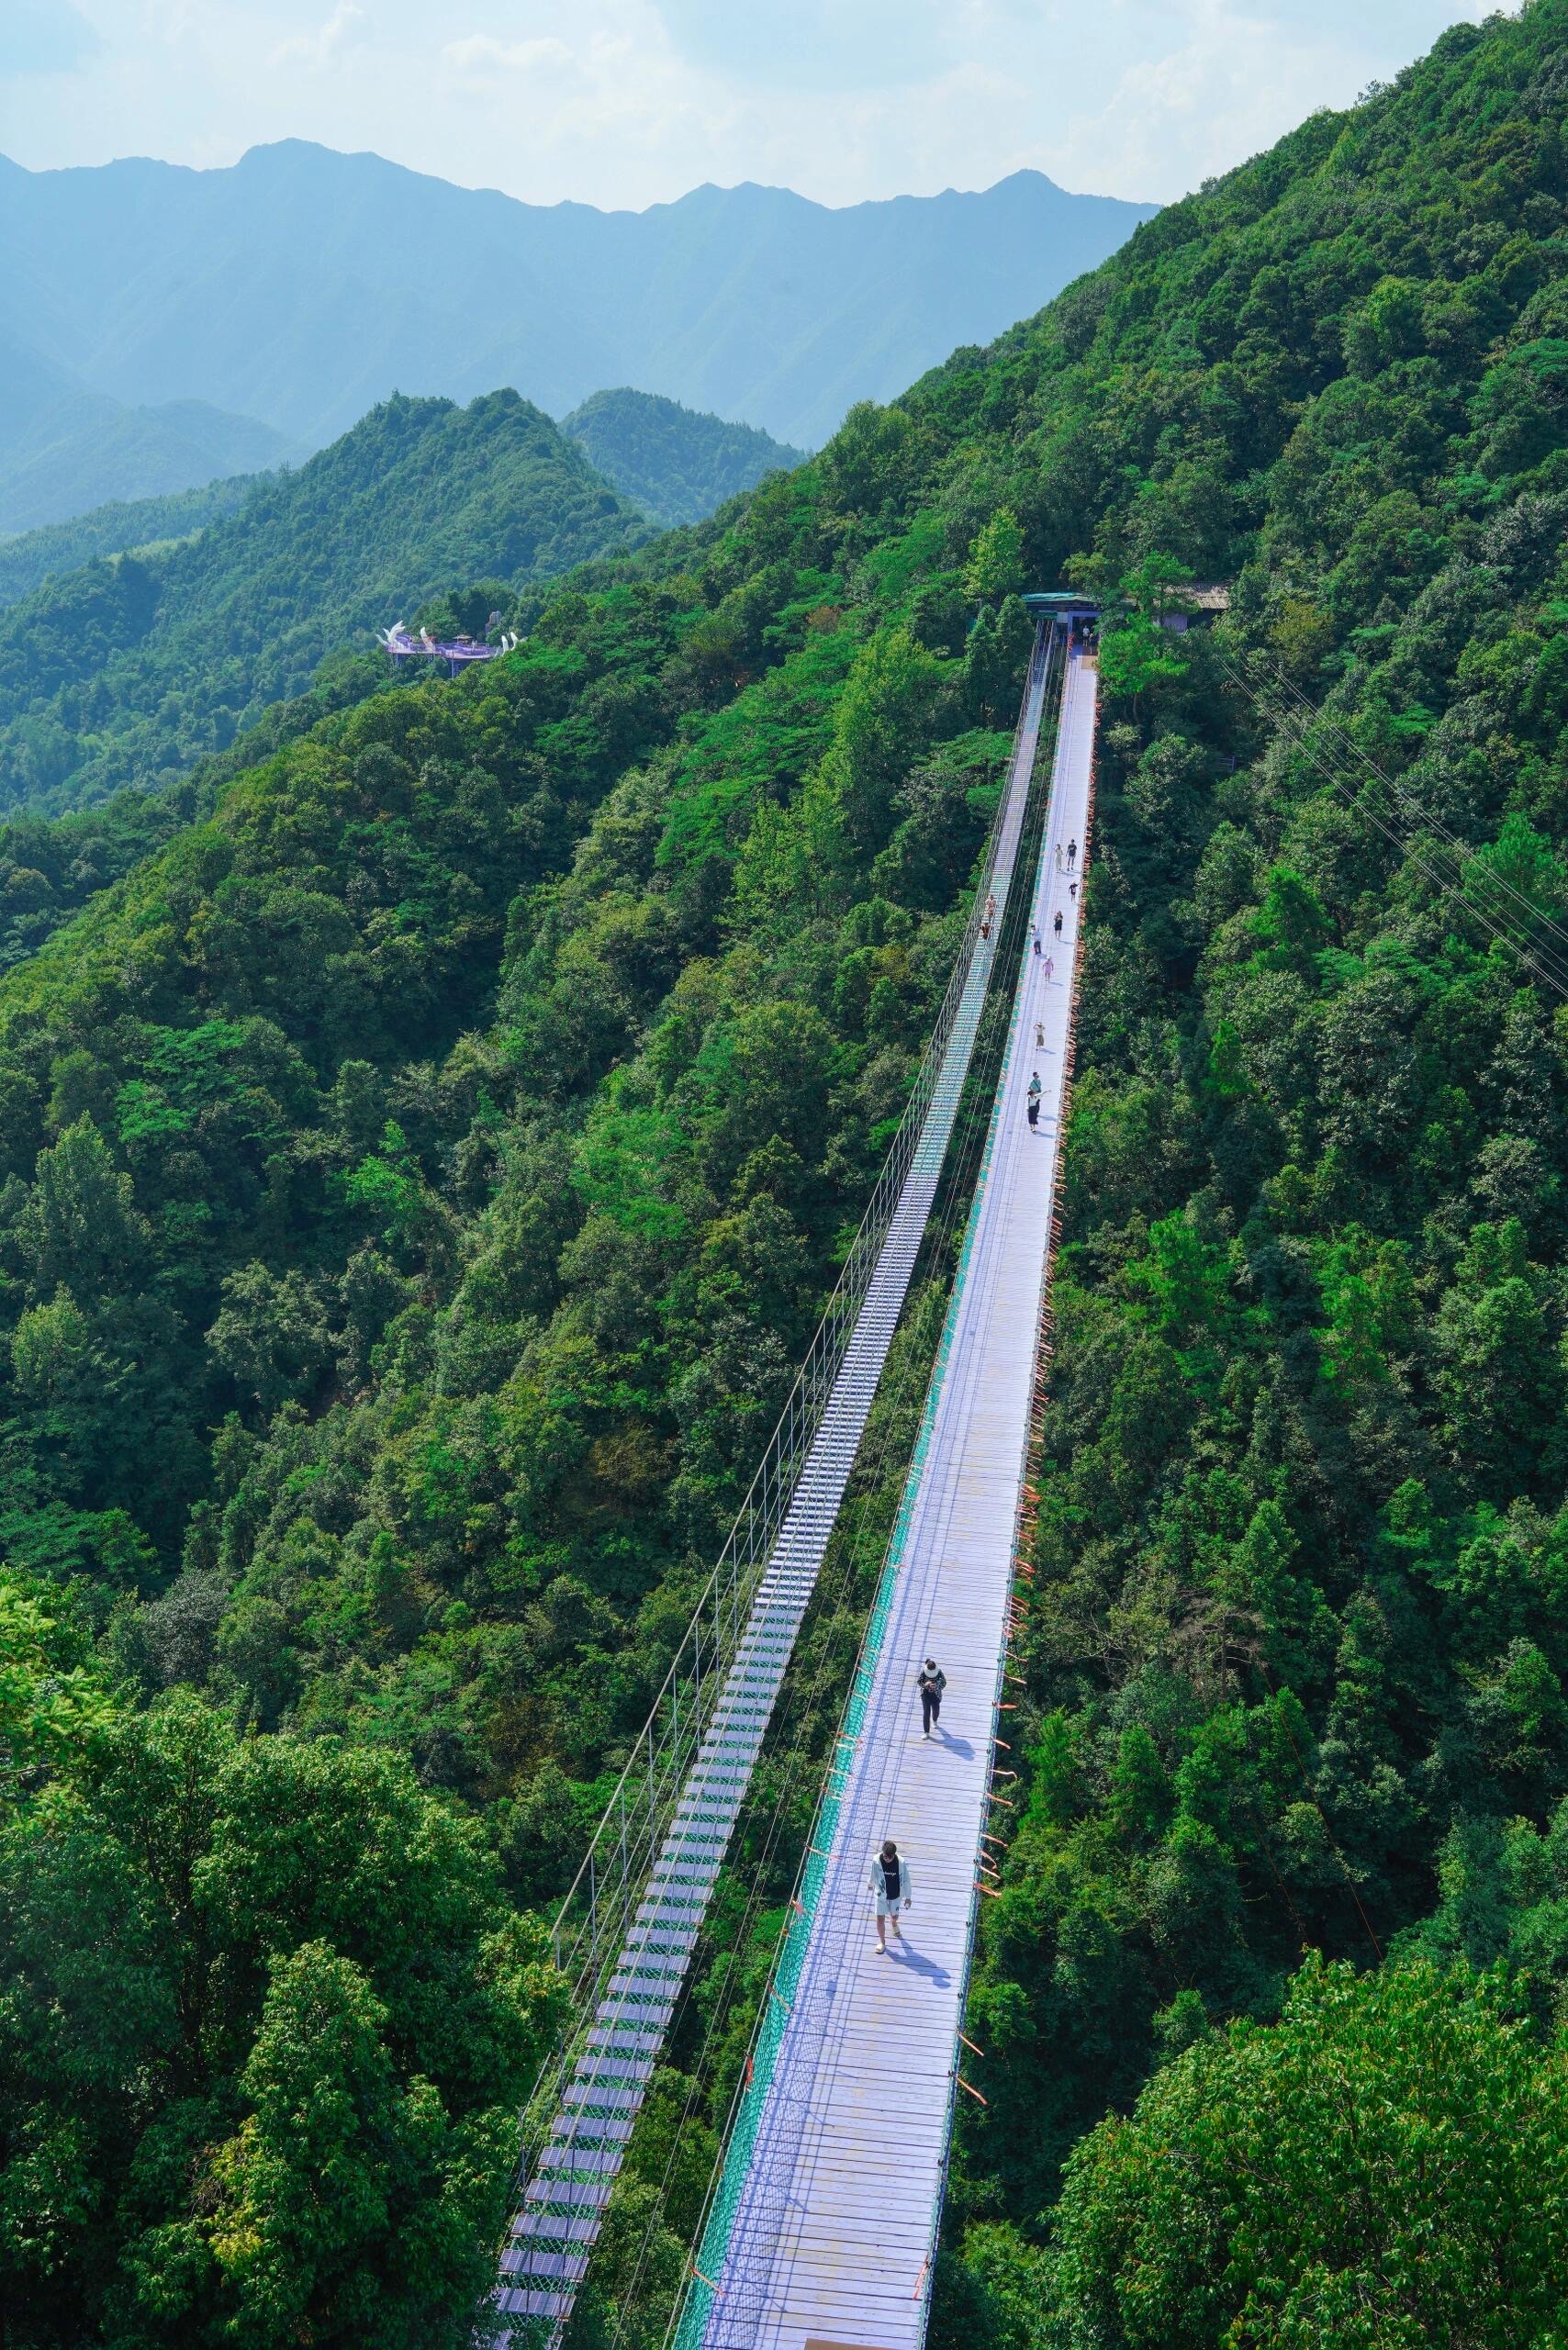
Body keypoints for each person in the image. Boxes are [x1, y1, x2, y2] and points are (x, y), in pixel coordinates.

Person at [868, 1839, 912, 1950]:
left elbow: (906, 1880)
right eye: (885, 1856)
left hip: (895, 1894)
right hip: (880, 1894)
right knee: (880, 1919)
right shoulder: (876, 1860)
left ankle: (893, 1923)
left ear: (894, 1855)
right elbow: (873, 1873)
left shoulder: (901, 1862)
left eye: (890, 1857)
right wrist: (870, 1883)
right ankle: (882, 1942)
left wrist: (908, 1897)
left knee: (894, 1916)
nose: (887, 1859)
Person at [916, 1658, 946, 1737]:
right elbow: (919, 1681)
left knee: (936, 1710)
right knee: (926, 1713)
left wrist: (937, 1685)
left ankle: (934, 1720)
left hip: (936, 1695)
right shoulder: (924, 1672)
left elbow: (944, 1682)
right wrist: (926, 1685)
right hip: (925, 1694)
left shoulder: (939, 1672)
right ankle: (926, 1732)